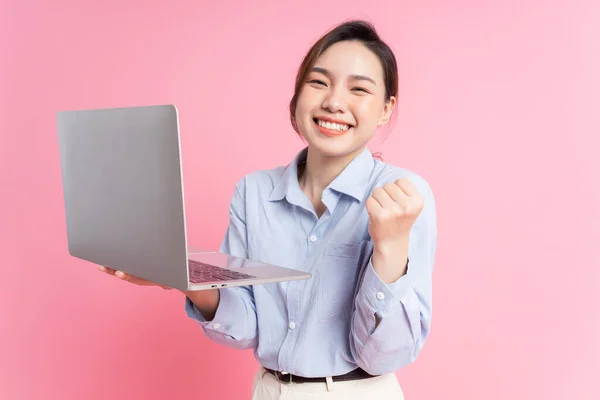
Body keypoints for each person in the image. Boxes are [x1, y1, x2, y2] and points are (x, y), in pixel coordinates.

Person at [100, 19, 437, 399]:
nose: (334, 102)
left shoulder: (401, 197)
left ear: (385, 110)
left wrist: (389, 250)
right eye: (318, 82)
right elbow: (246, 327)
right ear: (297, 94)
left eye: (358, 89)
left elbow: (386, 354)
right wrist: (186, 279)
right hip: (270, 390)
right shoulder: (254, 191)